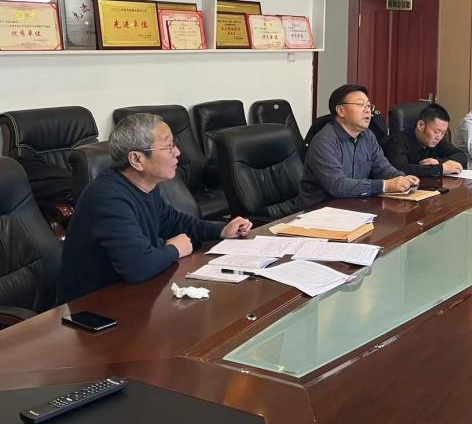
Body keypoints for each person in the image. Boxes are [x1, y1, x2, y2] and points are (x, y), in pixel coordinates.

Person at [56, 113, 252, 304]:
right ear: (137, 159)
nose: (177, 152)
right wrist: (175, 249)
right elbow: (137, 266)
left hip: (133, 293)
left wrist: (221, 230)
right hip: (93, 307)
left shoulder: (144, 185)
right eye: (168, 146)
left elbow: (173, 222)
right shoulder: (109, 198)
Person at [299, 84, 419, 205]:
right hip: (319, 209)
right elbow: (338, 186)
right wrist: (385, 186)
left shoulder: (368, 136)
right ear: (341, 111)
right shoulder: (324, 141)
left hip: (353, 205)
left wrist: (402, 179)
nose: (367, 110)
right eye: (360, 104)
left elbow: (382, 168)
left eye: (368, 106)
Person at [383, 103, 468, 178]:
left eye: (443, 133)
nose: (439, 137)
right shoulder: (397, 142)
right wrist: (440, 169)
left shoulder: (438, 141)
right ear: (421, 125)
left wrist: (439, 162)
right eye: (436, 132)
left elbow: (461, 156)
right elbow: (401, 169)